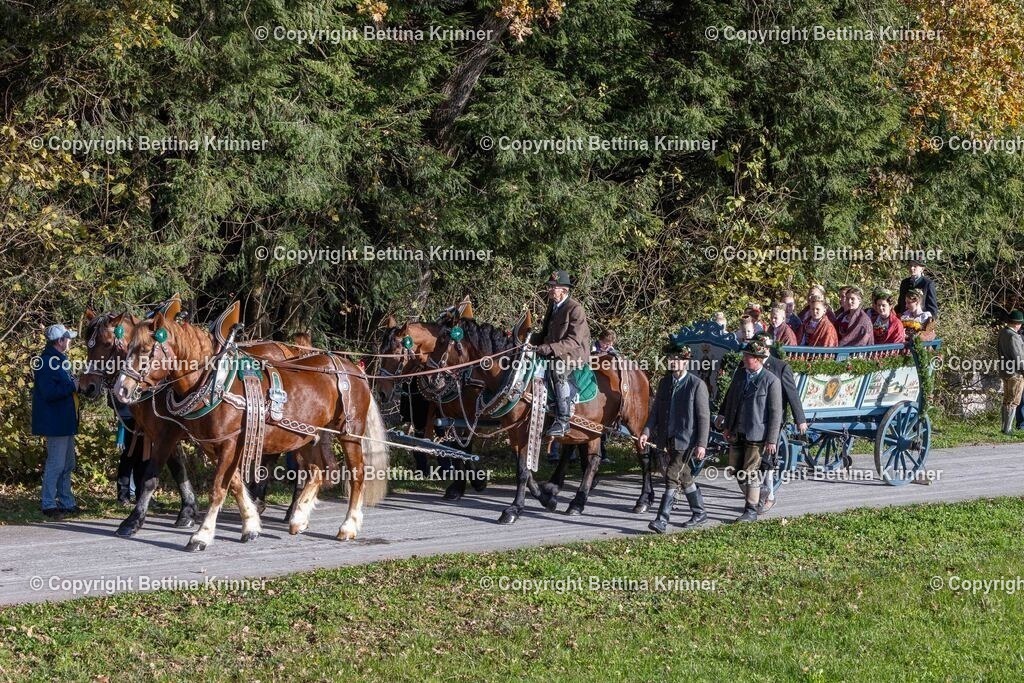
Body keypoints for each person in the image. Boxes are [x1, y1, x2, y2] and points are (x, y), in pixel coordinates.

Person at [640, 344, 710, 533]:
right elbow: (655, 411)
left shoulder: (696, 385)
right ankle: (699, 512)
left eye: (677, 359)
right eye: (671, 358)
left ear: (686, 361)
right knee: (684, 475)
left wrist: (702, 444)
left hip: (687, 440)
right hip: (667, 438)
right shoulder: (665, 383)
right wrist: (646, 431)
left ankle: (661, 520)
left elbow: (704, 417)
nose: (673, 362)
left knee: (672, 475)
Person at [716, 340, 782, 523]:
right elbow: (730, 401)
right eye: (744, 355)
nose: (744, 358)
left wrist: (772, 440)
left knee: (750, 471)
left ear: (758, 360)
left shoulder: (771, 381)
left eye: (748, 356)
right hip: (737, 430)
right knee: (736, 470)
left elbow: (776, 413)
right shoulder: (739, 376)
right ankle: (761, 492)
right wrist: (727, 426)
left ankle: (751, 510)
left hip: (757, 434)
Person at [749, 332, 807, 513]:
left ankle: (770, 495)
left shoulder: (780, 367)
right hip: (752, 418)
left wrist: (800, 419)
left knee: (766, 459)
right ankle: (755, 493)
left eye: (763, 345)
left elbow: (792, 393)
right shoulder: (748, 365)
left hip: (773, 418)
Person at [530, 270, 591, 437]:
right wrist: (527, 339)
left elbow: (574, 340)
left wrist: (550, 348)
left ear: (564, 290)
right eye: (549, 286)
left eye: (552, 287)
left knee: (558, 370)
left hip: (573, 353)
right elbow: (544, 334)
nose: (549, 290)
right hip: (555, 349)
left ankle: (563, 420)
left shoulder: (575, 309)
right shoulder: (553, 306)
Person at [32, 323, 81, 520]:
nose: (70, 341)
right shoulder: (46, 361)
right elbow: (49, 393)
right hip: (55, 422)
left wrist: (75, 385)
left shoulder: (60, 360)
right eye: (68, 338)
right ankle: (49, 504)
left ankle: (66, 502)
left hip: (66, 421)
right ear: (60, 341)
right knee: (56, 464)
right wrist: (72, 386)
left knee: (67, 464)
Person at [996, 311, 1024, 434]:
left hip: (1004, 370)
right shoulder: (1014, 336)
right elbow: (1019, 357)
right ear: (1017, 323)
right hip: (1015, 373)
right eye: (1020, 323)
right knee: (1013, 401)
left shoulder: (1002, 333)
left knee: (1006, 400)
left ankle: (1004, 427)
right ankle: (1008, 429)